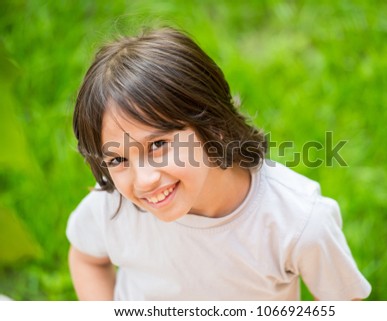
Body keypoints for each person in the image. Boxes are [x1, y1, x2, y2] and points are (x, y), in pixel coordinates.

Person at [67, 27, 371, 301]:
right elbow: (86, 258)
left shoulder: (298, 222)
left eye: (158, 145)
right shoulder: (114, 205)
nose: (143, 180)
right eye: (118, 159)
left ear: (214, 127)